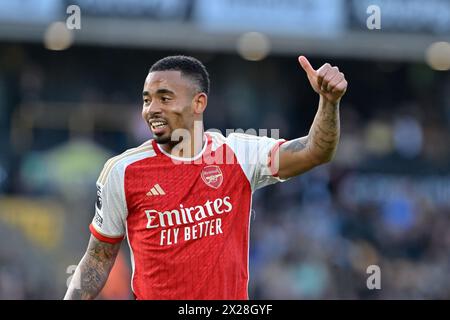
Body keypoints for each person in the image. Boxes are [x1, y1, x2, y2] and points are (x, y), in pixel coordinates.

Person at [64, 55, 347, 300]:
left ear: (199, 103)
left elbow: (315, 151)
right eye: (147, 100)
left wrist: (328, 101)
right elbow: (98, 259)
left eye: (165, 98)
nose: (152, 110)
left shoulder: (237, 153)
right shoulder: (122, 171)